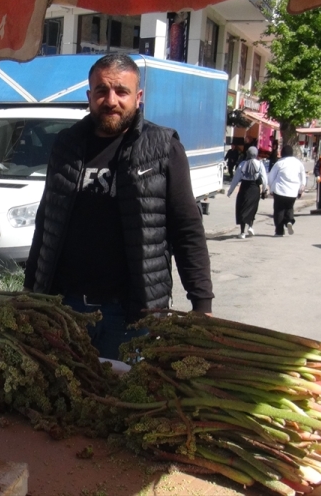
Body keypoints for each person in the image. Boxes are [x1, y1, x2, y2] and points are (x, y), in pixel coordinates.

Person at [23, 54, 214, 360]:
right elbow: (47, 221)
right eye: (101, 91)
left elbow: (187, 230)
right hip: (64, 309)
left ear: (138, 98)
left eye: (121, 92)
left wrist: (201, 304)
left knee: (123, 399)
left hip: (130, 315)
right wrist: (30, 291)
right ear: (89, 96)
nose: (110, 100)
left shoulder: (162, 148)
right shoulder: (66, 145)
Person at [226, 146, 268, 239]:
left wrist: (230, 191)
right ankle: (251, 227)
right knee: (252, 208)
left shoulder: (242, 164)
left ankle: (242, 232)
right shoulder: (260, 164)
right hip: (254, 189)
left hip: (244, 188)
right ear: (256, 154)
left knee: (242, 208)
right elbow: (265, 179)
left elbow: (235, 179)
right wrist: (264, 190)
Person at [268, 144, 307, 237]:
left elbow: (270, 177)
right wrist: (301, 188)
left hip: (280, 190)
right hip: (293, 191)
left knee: (279, 210)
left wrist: (271, 188)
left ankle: (279, 231)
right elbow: (303, 177)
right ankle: (289, 221)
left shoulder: (279, 163)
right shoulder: (298, 163)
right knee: (289, 208)